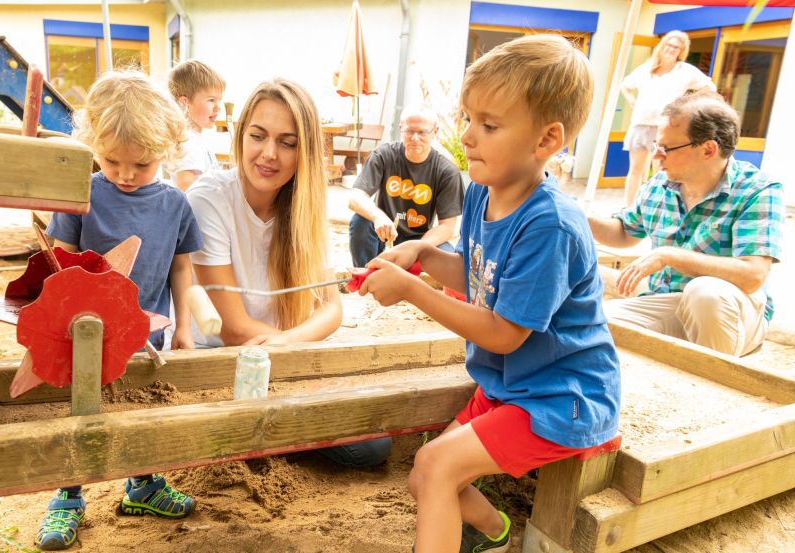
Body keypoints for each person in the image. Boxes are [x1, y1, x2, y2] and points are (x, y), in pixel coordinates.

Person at [358, 35, 621, 552]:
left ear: (546, 140)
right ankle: (497, 534)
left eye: (489, 125)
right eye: (467, 119)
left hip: (562, 397)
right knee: (425, 475)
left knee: (434, 466)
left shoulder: (551, 225)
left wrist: (412, 289)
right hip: (510, 388)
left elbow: (503, 333)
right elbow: (478, 275)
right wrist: (420, 255)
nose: (468, 137)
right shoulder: (481, 190)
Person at [186, 78, 392, 469]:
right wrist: (292, 348)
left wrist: (286, 345)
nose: (269, 154)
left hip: (278, 355)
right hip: (216, 361)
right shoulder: (208, 198)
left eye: (288, 142)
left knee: (374, 445)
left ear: (305, 151)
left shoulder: (302, 205)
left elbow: (331, 309)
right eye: (258, 136)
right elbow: (232, 329)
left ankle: (264, 438)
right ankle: (259, 438)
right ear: (240, 135)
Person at [36, 70, 202, 550]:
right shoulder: (81, 194)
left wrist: (185, 330)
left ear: (167, 151)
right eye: (111, 161)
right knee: (82, 411)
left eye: (142, 164)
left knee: (141, 409)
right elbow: (59, 264)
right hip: (82, 335)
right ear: (92, 144)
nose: (126, 175)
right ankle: (67, 497)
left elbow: (181, 270)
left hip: (148, 333)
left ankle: (143, 484)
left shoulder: (176, 205)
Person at [588, 90, 784, 357]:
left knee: (705, 293)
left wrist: (670, 256)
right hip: (665, 302)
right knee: (592, 328)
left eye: (666, 147)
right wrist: (576, 217)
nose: (656, 155)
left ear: (708, 149)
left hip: (731, 311)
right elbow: (624, 232)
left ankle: (716, 383)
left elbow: (753, 276)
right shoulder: (661, 183)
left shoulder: (757, 190)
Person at [347, 105, 464, 268]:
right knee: (360, 221)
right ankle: (366, 275)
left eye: (422, 132)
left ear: (435, 132)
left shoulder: (447, 171)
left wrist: (415, 248)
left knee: (451, 259)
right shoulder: (383, 155)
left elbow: (447, 227)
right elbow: (355, 197)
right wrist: (378, 217)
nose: (415, 138)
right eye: (409, 131)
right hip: (384, 233)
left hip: (421, 238)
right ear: (401, 129)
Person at [620, 30, 715, 206]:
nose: (672, 49)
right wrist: (632, 100)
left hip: (666, 129)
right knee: (635, 170)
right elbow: (625, 85)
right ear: (662, 46)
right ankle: (629, 208)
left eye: (677, 47)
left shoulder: (685, 71)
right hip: (641, 124)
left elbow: (710, 87)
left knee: (662, 172)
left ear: (681, 51)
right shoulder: (647, 68)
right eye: (669, 45)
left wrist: (689, 106)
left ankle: (657, 208)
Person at [166, 59, 226, 191]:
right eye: (211, 100)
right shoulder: (188, 142)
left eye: (219, 100)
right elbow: (185, 186)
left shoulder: (196, 137)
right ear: (184, 104)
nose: (218, 107)